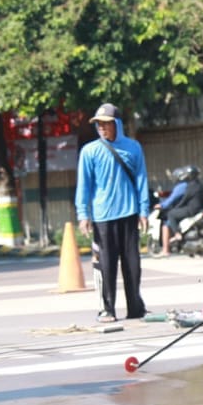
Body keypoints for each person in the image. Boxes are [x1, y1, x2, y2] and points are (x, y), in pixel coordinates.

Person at [75, 103, 150, 323]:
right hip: (102, 217)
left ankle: (135, 307)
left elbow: (141, 179)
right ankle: (107, 309)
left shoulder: (133, 147)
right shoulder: (90, 151)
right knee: (106, 265)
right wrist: (83, 214)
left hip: (129, 213)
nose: (102, 128)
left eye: (106, 124)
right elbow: (84, 185)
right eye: (98, 124)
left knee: (132, 264)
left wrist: (143, 210)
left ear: (117, 124)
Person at [156, 165, 203, 254]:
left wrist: (162, 205)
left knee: (170, 216)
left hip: (189, 209)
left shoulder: (184, 186)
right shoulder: (199, 185)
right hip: (198, 209)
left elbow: (176, 199)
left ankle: (175, 236)